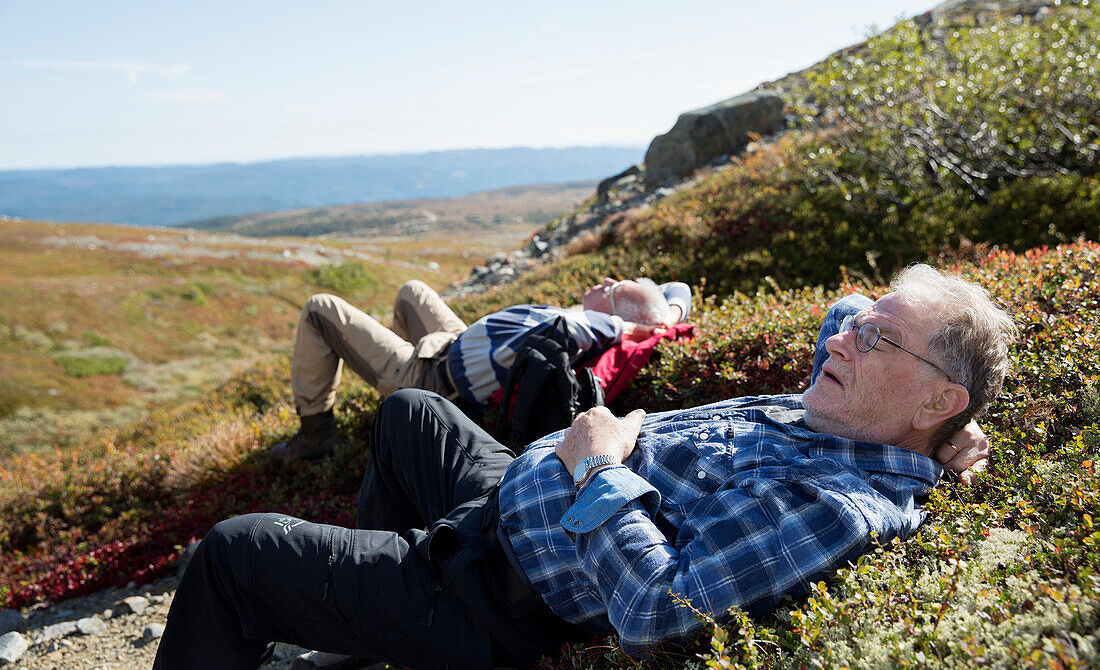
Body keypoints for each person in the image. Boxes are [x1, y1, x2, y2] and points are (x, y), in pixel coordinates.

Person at [153, 264, 1013, 670]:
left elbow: (659, 611)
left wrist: (598, 468)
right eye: (864, 328)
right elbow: (846, 307)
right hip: (510, 503)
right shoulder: (852, 404)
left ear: (936, 395)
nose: (849, 336)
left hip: (498, 594)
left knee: (233, 555)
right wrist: (938, 436)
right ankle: (372, 638)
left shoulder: (839, 500)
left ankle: (396, 608)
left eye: (880, 338)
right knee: (409, 414)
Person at [271, 277, 693, 459]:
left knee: (319, 308)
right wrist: (668, 314)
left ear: (616, 313)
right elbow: (679, 290)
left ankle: (317, 433)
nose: (603, 282)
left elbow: (568, 327)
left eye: (612, 288)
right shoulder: (600, 322)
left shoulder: (581, 329)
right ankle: (390, 394)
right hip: (451, 346)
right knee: (410, 292)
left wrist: (627, 325)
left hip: (434, 378)